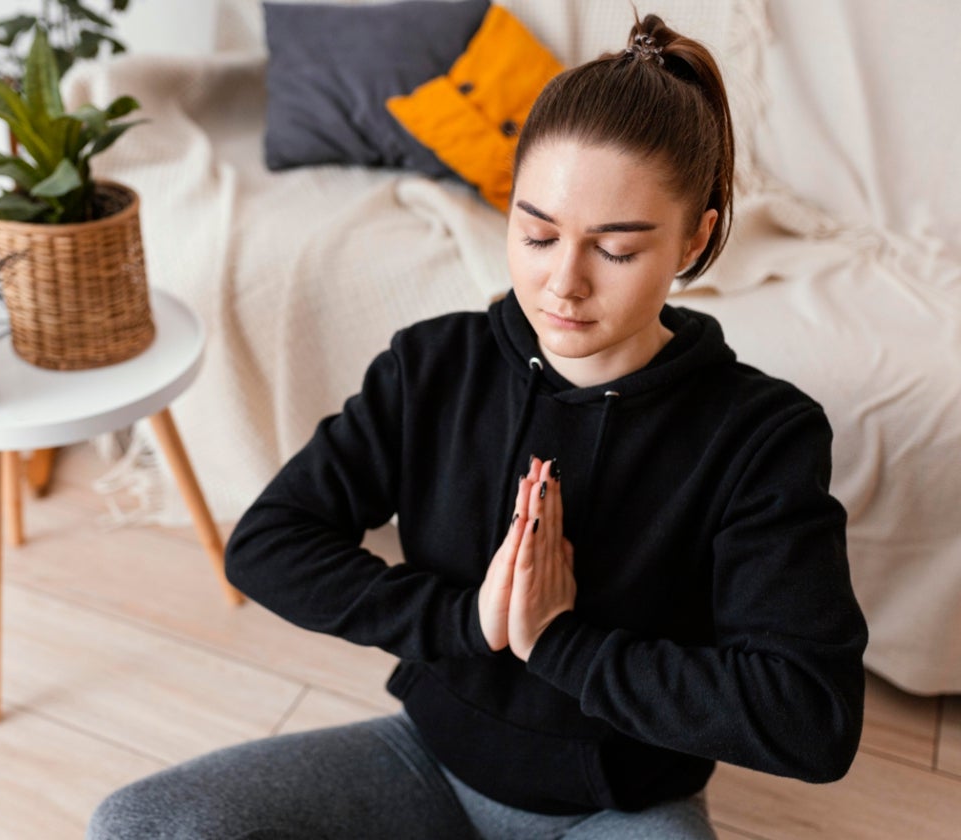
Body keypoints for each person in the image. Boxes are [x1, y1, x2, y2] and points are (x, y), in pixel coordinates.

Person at [88, 12, 867, 840]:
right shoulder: (436, 368)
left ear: (693, 239)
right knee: (139, 823)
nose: (562, 284)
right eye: (537, 233)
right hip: (430, 763)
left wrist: (559, 641)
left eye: (616, 251)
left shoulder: (761, 436)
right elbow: (269, 544)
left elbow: (810, 722)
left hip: (619, 807)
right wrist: (473, 622)